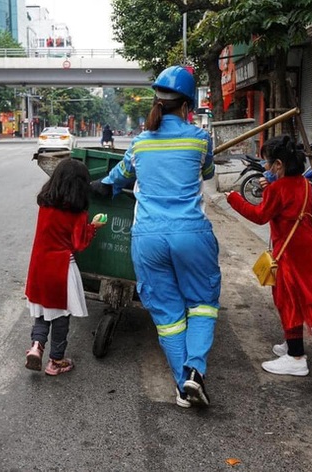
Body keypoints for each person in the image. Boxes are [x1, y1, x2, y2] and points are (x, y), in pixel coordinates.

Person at [91, 66, 220, 408]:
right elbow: (207, 172)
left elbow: (114, 179)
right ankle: (195, 372)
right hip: (192, 234)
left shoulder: (139, 144)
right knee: (203, 304)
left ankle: (183, 386)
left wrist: (102, 186)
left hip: (148, 238)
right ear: (187, 105)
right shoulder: (200, 138)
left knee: (167, 314)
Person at [225, 135, 312, 376]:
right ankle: (292, 344)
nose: (266, 167)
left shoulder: (278, 189)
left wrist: (234, 200)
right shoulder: (304, 183)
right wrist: (269, 188)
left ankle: (296, 358)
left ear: (279, 165)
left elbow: (260, 215)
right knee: (296, 297)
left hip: (289, 251)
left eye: (268, 163)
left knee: (287, 299)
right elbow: (288, 207)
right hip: (305, 246)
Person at [25, 158, 107, 376]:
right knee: (60, 317)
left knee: (42, 313)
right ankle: (56, 361)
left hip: (38, 266)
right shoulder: (77, 213)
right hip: (61, 269)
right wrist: (93, 227)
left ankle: (36, 346)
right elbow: (79, 244)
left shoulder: (45, 205)